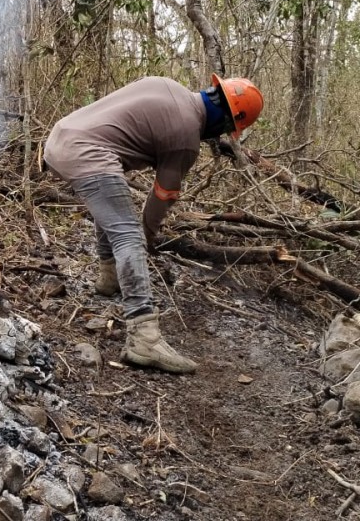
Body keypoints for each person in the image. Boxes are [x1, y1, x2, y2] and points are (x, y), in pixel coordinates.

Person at [43, 74, 264, 373]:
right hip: (86, 152)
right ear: (226, 122)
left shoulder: (167, 84)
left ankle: (109, 279)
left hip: (60, 137)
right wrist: (145, 237)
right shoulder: (187, 138)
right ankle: (143, 335)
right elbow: (163, 196)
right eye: (227, 129)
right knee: (128, 234)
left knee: (113, 204)